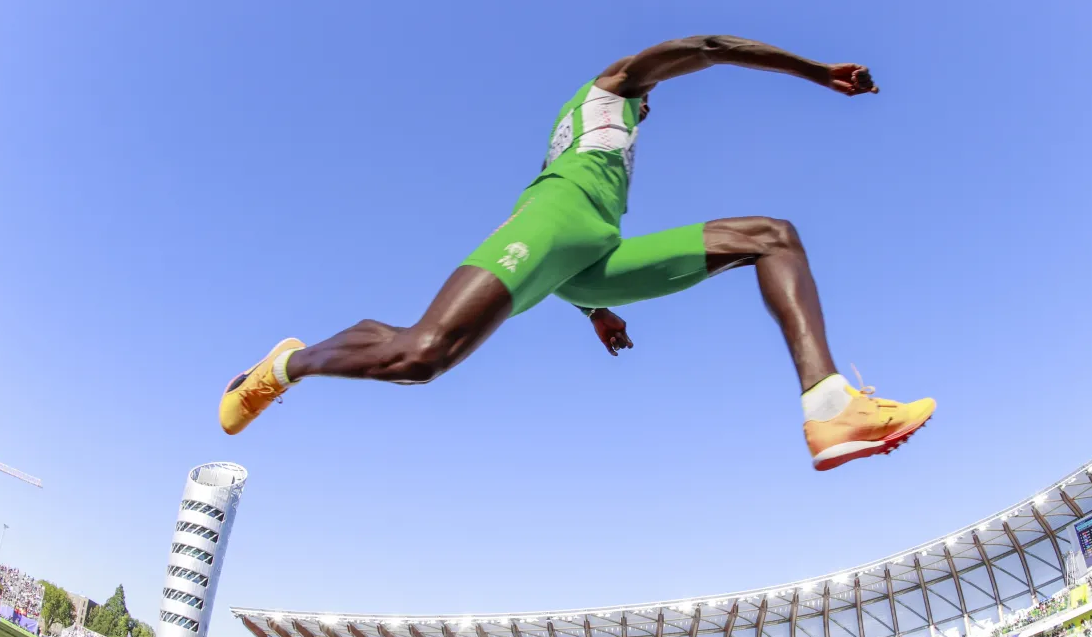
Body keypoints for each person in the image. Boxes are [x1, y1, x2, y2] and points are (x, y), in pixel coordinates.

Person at [219, 36, 936, 470]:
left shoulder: (620, 143)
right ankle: (285, 364)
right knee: (419, 356)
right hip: (554, 218)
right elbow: (713, 46)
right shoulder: (614, 81)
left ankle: (831, 403)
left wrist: (595, 308)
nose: (651, 106)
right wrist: (816, 73)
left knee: (772, 235)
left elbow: (580, 251)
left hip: (594, 253)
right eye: (649, 96)